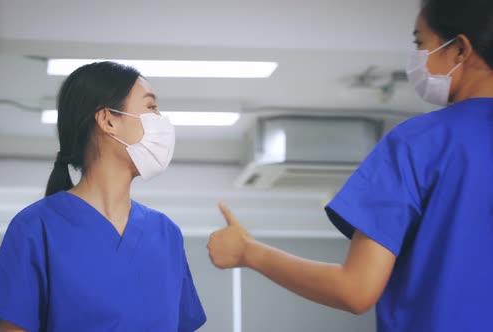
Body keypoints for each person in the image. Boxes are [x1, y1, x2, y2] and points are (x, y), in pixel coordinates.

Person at [207, 0, 493, 331]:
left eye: (420, 42)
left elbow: (356, 289)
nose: (416, 55)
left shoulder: (420, 143)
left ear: (460, 49)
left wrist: (248, 252)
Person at [0, 62, 206, 332]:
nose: (162, 121)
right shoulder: (36, 229)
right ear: (108, 120)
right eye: (151, 108)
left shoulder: (166, 235)